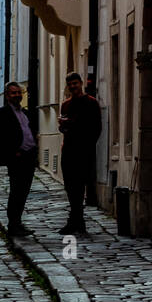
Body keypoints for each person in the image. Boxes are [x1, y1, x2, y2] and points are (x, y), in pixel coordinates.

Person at [57, 72, 101, 234]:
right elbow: (63, 129)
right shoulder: (66, 105)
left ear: (81, 83)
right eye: (70, 84)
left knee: (80, 186)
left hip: (84, 151)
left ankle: (74, 221)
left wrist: (72, 125)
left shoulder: (91, 103)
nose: (73, 87)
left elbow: (95, 128)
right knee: (70, 186)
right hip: (68, 150)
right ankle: (78, 221)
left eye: (75, 83)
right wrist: (62, 125)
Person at [0, 81, 38, 237]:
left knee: (23, 192)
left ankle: (18, 222)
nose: (17, 95)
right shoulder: (1, 113)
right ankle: (13, 225)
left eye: (19, 93)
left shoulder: (25, 113)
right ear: (7, 96)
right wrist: (15, 152)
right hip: (17, 159)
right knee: (16, 192)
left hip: (29, 158)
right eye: (13, 93)